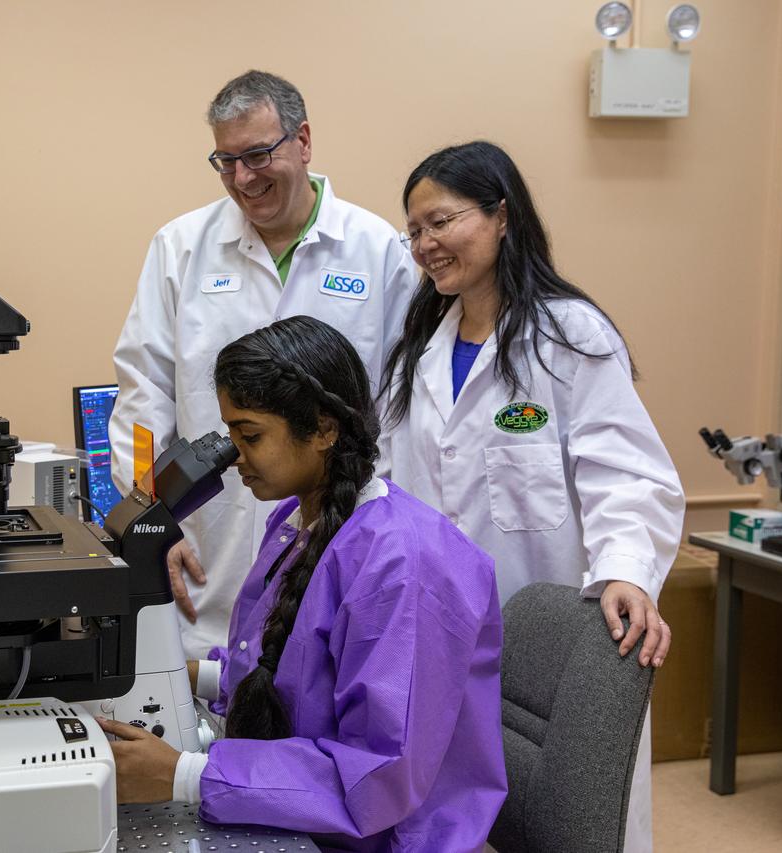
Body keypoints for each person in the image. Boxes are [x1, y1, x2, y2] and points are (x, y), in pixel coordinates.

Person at [99, 316, 506, 852]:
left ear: (323, 429)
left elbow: (377, 777)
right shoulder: (297, 523)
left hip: (384, 838)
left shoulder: (403, 566)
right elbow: (293, 674)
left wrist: (186, 776)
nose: (233, 457)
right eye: (229, 435)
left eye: (250, 435)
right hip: (302, 818)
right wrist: (189, 675)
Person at [378, 141, 684, 853]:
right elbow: (388, 475)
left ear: (501, 216)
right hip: (437, 625)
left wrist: (627, 571)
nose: (426, 244)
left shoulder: (568, 334)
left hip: (542, 627)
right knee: (449, 812)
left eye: (442, 221)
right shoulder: (420, 344)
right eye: (415, 229)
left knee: (562, 815)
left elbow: (626, 471)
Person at [110, 70, 418, 658]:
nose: (243, 178)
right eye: (225, 162)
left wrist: (380, 531)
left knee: (321, 692)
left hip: (342, 536)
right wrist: (152, 517)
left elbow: (401, 405)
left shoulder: (376, 249)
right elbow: (144, 390)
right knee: (211, 696)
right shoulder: (181, 248)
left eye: (257, 154)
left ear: (303, 142)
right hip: (211, 541)